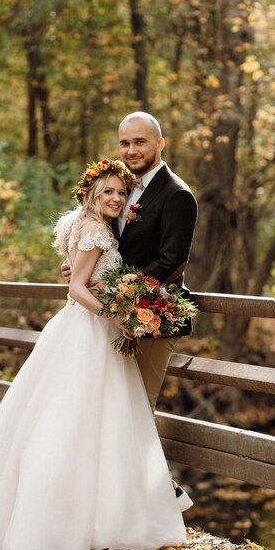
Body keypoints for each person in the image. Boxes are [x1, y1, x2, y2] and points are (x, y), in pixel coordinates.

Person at [0, 159, 186, 550]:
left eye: (120, 192)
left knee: (95, 424)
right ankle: (59, 528)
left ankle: (96, 522)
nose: (116, 198)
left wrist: (112, 295)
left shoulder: (93, 225)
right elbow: (77, 287)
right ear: (92, 195)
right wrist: (117, 316)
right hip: (89, 332)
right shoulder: (96, 229)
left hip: (90, 331)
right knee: (76, 424)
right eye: (108, 192)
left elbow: (86, 276)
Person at [62, 112, 198, 511]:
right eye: (125, 143)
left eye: (140, 142)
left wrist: (118, 289)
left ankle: (163, 498)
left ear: (160, 144)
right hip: (113, 319)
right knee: (111, 408)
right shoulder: (119, 188)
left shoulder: (177, 195)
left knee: (136, 409)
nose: (131, 149)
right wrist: (81, 266)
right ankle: (114, 505)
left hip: (152, 318)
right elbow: (104, 241)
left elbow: (171, 261)